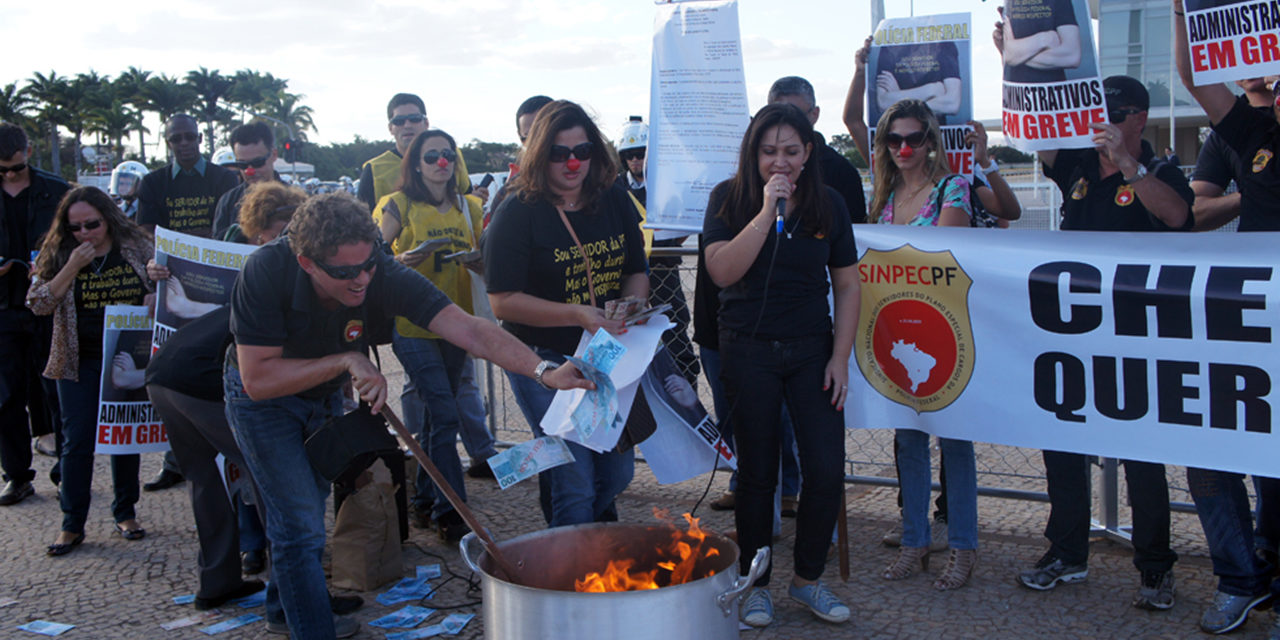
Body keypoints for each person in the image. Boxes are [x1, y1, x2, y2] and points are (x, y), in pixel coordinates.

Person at [225, 190, 593, 638]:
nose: (361, 281)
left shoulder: (378, 270)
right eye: (345, 273)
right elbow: (257, 379)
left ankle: (284, 606)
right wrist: (347, 361)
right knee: (300, 522)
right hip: (265, 400)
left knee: (303, 509)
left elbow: (469, 328)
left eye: (369, 266)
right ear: (307, 263)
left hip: (320, 392)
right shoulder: (265, 270)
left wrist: (544, 372)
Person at [1017, 75, 1189, 611]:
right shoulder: (1076, 164)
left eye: (1117, 112)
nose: (1104, 121)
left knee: (1141, 457)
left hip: (1135, 337)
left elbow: (1178, 216)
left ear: (1139, 118)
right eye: (1099, 111)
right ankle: (1066, 553)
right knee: (1063, 446)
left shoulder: (1160, 170)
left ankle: (1155, 568)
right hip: (1075, 333)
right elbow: (1041, 135)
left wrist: (1130, 166)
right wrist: (1017, 67)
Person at [701, 103, 859, 627]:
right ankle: (756, 583)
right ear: (753, 154)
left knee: (825, 467)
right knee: (758, 474)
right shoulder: (728, 199)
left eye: (791, 151)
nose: (780, 162)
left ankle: (808, 580)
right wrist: (766, 213)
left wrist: (840, 356)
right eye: (769, 152)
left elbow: (848, 282)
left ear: (809, 153)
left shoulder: (829, 203)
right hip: (748, 349)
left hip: (811, 350)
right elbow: (722, 271)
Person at [483, 100, 649, 528]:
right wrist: (577, 313)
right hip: (544, 358)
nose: (573, 162)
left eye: (583, 150)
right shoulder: (517, 210)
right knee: (574, 477)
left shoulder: (612, 196)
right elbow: (502, 300)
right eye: (560, 153)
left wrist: (632, 302)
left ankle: (592, 543)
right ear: (540, 154)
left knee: (616, 470)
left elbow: (636, 269)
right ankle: (573, 577)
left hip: (606, 354)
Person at [143, 182, 304, 614]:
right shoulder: (280, 272)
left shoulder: (265, 268)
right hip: (198, 381)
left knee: (205, 482)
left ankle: (216, 583)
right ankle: (291, 597)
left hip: (164, 376)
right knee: (274, 476)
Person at [1175, 9, 1280, 631]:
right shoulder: (1253, 134)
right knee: (1207, 454)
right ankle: (1241, 579)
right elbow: (1195, 77)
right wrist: (1189, 8)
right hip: (1251, 321)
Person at [866, 99, 980, 592]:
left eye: (914, 139)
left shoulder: (953, 187)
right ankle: (915, 541)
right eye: (894, 140)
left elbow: (944, 252)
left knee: (955, 442)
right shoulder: (883, 195)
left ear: (931, 141)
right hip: (898, 329)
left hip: (946, 328)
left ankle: (963, 548)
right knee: (908, 441)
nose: (905, 149)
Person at [27, 187, 154, 555]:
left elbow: (162, 279)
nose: (85, 234)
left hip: (125, 354)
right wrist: (71, 266)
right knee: (77, 440)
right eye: (76, 227)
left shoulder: (134, 245)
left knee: (124, 433)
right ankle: (72, 523)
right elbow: (38, 303)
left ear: (108, 218)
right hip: (79, 359)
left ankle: (125, 511)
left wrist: (154, 293)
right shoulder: (62, 251)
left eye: (92, 225)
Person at [373, 129, 485, 542]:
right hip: (413, 325)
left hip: (456, 322)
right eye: (432, 155)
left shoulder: (469, 207)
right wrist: (401, 259)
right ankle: (451, 512)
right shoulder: (398, 205)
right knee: (444, 412)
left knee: (442, 415)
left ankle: (423, 499)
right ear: (416, 165)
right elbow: (374, 256)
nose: (442, 162)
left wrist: (478, 261)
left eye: (448, 154)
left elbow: (487, 260)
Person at [136, 113, 239, 492]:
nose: (183, 143)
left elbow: (227, 229)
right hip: (173, 283)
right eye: (176, 138)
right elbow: (148, 234)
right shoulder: (153, 182)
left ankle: (229, 453)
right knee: (174, 373)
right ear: (168, 141)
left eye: (190, 137)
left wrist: (189, 241)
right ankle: (176, 460)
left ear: (200, 139)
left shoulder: (223, 178)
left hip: (219, 285)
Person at [0, 122, 67, 506]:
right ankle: (17, 475)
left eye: (15, 166)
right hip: (3, 308)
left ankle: (65, 474)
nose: (9, 175)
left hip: (47, 306)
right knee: (6, 398)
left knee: (55, 392)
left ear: (28, 152)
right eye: (2, 170)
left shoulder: (55, 191)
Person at [358, 93, 476, 214]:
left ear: (426, 123)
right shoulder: (374, 169)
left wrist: (475, 198)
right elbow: (362, 222)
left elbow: (466, 198)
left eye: (414, 119)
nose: (407, 125)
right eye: (399, 121)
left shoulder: (450, 155)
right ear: (390, 128)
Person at [211, 122, 281, 239]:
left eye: (257, 163)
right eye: (242, 164)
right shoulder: (228, 202)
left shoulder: (296, 200)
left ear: (273, 155)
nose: (250, 171)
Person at [869, 42, 962, 126]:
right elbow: (882, 103)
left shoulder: (944, 45)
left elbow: (953, 104)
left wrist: (900, 98)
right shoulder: (890, 47)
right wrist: (931, 90)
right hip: (901, 134)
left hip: (935, 134)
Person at [995, 0, 1083, 83]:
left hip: (1049, 93)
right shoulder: (1009, 3)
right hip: (1015, 94)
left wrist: (1014, 53)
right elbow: (1009, 63)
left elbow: (1072, 56)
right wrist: (1045, 39)